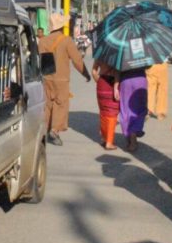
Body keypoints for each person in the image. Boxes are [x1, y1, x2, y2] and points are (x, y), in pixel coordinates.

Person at [39, 12, 90, 146]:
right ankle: (55, 131)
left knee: (48, 104)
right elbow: (77, 60)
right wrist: (85, 73)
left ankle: (44, 130)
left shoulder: (43, 40)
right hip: (61, 79)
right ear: (62, 26)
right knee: (61, 105)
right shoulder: (66, 40)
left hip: (46, 78)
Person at [92, 57, 120, 150]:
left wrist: (100, 81)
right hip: (111, 84)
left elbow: (94, 71)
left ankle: (104, 139)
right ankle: (109, 142)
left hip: (101, 82)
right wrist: (116, 87)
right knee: (112, 113)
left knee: (103, 112)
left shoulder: (100, 56)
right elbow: (117, 73)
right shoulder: (116, 55)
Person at [119, 65, 148, 152]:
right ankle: (134, 132)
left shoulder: (122, 52)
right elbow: (149, 65)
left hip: (125, 80)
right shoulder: (143, 52)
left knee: (125, 109)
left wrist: (116, 84)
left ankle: (129, 134)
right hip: (140, 80)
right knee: (140, 109)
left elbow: (117, 68)